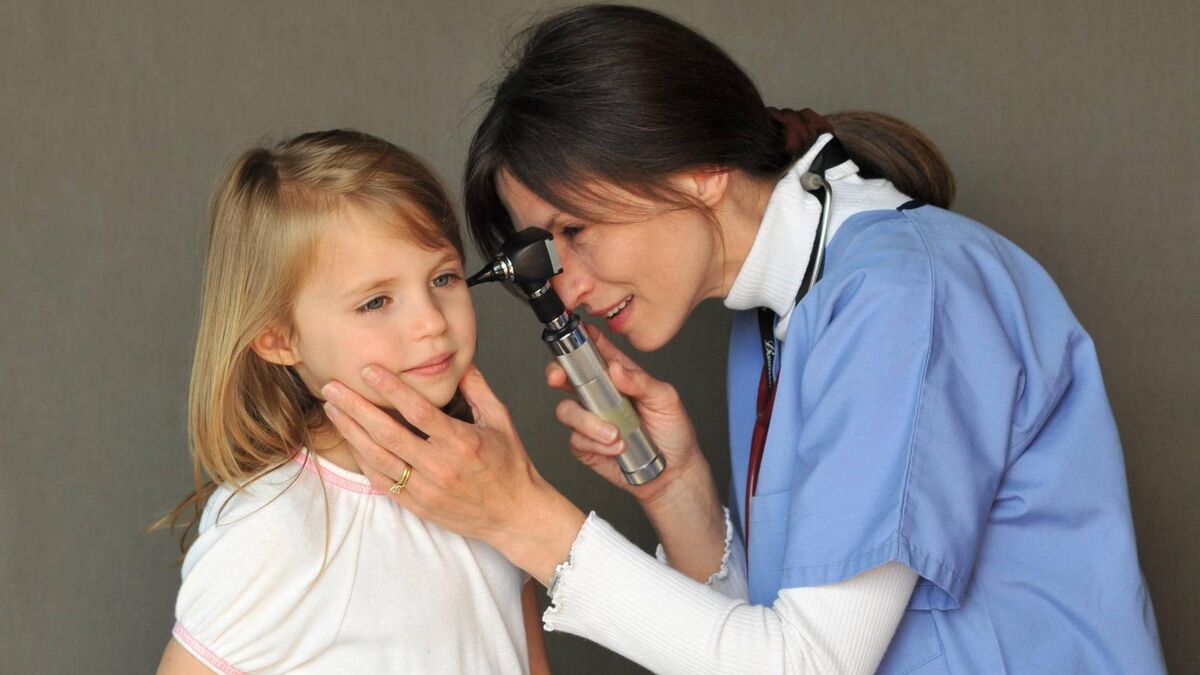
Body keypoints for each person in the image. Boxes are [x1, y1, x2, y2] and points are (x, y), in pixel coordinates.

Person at [323, 5, 1165, 673]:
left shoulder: (903, 296)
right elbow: (766, 637)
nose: (567, 288)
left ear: (700, 167)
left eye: (574, 231)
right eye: (546, 257)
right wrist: (680, 491)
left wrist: (521, 517)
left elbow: (808, 664)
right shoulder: (778, 311)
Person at [152, 130, 550, 674]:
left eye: (443, 278)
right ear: (279, 339)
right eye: (376, 301)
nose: (431, 321)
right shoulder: (273, 527)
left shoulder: (489, 476)